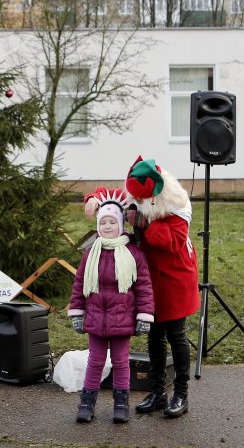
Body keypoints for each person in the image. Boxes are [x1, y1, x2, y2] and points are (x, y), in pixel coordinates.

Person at [68, 193, 154, 424]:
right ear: (98, 226)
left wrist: (144, 315)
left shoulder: (133, 254)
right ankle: (87, 404)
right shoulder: (90, 254)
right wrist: (77, 312)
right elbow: (79, 285)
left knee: (120, 362)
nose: (107, 226)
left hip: (122, 318)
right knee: (95, 361)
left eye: (112, 222)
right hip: (96, 318)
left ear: (120, 224)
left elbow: (144, 286)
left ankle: (121, 404)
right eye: (103, 222)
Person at [124, 156, 199, 419]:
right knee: (154, 335)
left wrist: (145, 225)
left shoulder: (176, 205)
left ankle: (181, 394)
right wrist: (95, 200)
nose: (138, 203)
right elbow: (108, 195)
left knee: (175, 336)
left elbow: (175, 242)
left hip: (175, 277)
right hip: (150, 278)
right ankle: (157, 392)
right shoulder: (139, 197)